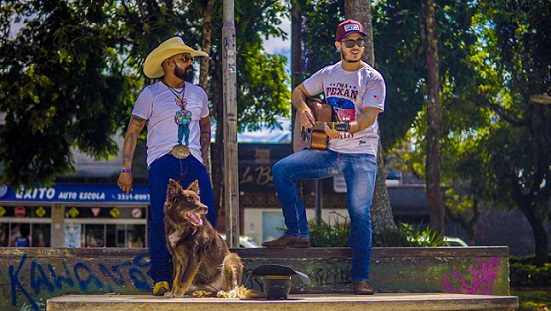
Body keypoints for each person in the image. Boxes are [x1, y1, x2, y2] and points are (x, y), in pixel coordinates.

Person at [261, 19, 386, 295]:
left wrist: (343, 128)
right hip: (329, 152)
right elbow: (297, 92)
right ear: (338, 45)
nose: (356, 47)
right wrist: (304, 108)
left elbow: (367, 118)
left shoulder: (372, 78)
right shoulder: (328, 74)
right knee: (282, 170)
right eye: (350, 42)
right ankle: (297, 233)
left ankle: (360, 278)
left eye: (360, 42)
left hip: (361, 154)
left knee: (359, 213)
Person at [117, 36, 216, 296]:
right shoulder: (150, 94)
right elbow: (132, 132)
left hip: (193, 161)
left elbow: (205, 127)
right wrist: (126, 169)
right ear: (169, 62)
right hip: (162, 161)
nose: (190, 63)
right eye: (185, 58)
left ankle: (203, 280)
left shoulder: (198, 94)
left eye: (191, 58)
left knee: (206, 218)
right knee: (161, 221)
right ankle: (161, 278)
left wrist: (202, 155)